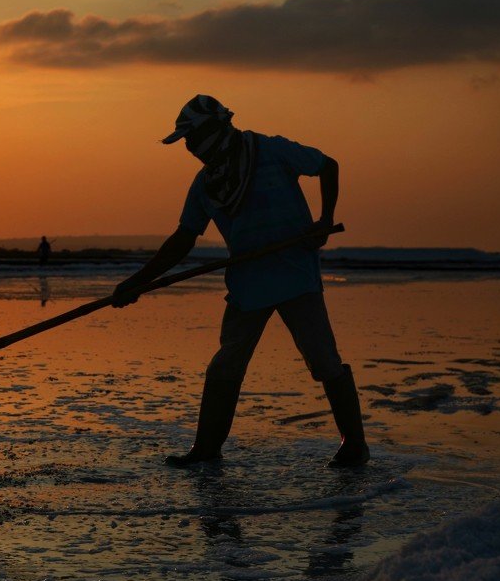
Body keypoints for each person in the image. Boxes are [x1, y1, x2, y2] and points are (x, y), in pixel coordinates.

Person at [112, 94, 368, 469]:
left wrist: (324, 221)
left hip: (296, 275)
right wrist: (136, 282)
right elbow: (183, 239)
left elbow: (328, 166)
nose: (189, 148)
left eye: (191, 139)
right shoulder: (205, 185)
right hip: (248, 286)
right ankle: (205, 450)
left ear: (211, 132)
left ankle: (354, 445)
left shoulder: (271, 150)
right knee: (225, 368)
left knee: (324, 361)